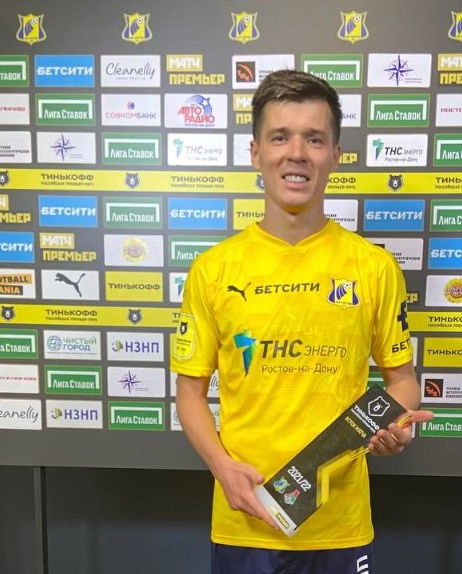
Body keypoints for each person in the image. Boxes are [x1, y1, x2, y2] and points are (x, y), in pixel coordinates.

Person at [170, 69, 432, 574]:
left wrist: (393, 428)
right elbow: (189, 393)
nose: (296, 153)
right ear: (255, 153)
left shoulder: (374, 267)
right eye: (279, 137)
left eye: (314, 139)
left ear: (335, 155)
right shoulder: (213, 269)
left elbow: (402, 380)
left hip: (340, 527)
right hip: (245, 523)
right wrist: (222, 468)